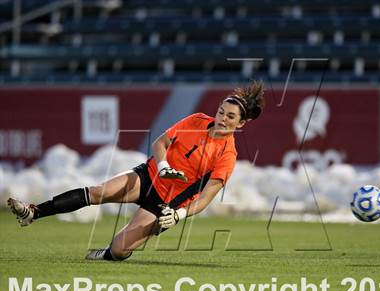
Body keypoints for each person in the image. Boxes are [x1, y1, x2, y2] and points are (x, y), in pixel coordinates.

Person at [7, 80, 265, 261]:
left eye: (230, 117)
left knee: (119, 249)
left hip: (166, 205)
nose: (222, 118)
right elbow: (160, 142)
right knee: (98, 192)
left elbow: (206, 197)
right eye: (221, 111)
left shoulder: (227, 155)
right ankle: (34, 212)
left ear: (241, 123)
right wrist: (162, 166)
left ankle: (108, 254)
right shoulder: (197, 120)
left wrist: (179, 214)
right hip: (148, 176)